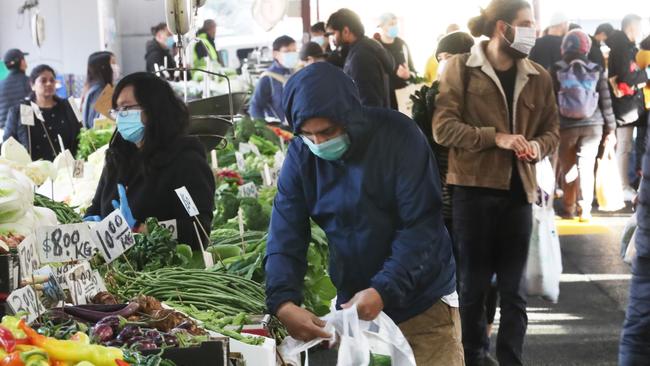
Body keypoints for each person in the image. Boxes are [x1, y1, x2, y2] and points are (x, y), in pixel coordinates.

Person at [266, 62, 462, 365]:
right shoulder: (302, 155)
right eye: (308, 134)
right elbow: (285, 231)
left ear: (350, 117)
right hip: (355, 306)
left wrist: (384, 288)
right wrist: (282, 301)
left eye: (328, 131)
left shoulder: (399, 136)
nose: (319, 143)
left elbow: (421, 226)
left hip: (422, 304)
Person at [433, 0, 560, 364]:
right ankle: (473, 356)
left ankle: (510, 359)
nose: (531, 31)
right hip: (471, 192)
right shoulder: (460, 68)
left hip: (520, 192)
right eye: (526, 23)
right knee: (471, 287)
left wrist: (537, 145)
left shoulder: (538, 76)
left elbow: (553, 131)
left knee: (514, 290)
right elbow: (443, 129)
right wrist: (496, 137)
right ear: (502, 28)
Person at [84, 72, 215, 250]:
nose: (121, 116)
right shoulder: (118, 156)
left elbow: (198, 229)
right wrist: (92, 223)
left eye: (127, 108)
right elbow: (96, 208)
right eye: (117, 110)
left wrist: (140, 228)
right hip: (116, 270)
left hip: (162, 271)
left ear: (154, 109)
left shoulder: (186, 161)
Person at [550, 29, 617, 221]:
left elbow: (550, 102)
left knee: (568, 167)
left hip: (565, 126)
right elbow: (606, 100)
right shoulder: (596, 68)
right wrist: (610, 129)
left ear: (565, 47)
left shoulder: (556, 68)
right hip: (593, 125)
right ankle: (585, 208)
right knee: (586, 168)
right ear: (586, 47)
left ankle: (568, 208)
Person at [607, 14, 648, 200]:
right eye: (639, 28)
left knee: (625, 146)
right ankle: (622, 186)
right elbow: (626, 77)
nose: (640, 32)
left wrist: (638, 78)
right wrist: (644, 77)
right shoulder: (622, 48)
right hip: (624, 106)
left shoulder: (624, 46)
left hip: (627, 106)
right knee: (624, 146)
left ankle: (622, 185)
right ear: (631, 27)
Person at [3, 65, 81, 161]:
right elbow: (8, 144)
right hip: (34, 173)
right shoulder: (21, 111)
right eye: (43, 80)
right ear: (32, 85)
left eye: (52, 80)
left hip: (68, 170)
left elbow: (81, 139)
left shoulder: (68, 107)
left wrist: (78, 172)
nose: (49, 83)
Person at [327, 8, 394, 108]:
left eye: (333, 34)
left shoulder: (360, 58)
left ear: (346, 31)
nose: (332, 39)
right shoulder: (367, 48)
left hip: (370, 122)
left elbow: (368, 104)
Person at [249, 36, 297, 123]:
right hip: (280, 129)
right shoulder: (268, 78)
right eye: (287, 51)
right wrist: (263, 127)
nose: (292, 55)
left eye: (294, 51)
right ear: (275, 54)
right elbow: (255, 106)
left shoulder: (296, 72)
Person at [377, 13, 416, 110]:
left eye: (396, 24)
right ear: (382, 26)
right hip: (383, 100)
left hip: (402, 98)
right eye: (391, 24)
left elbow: (414, 72)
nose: (394, 27)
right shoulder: (376, 47)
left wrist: (408, 75)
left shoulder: (402, 45)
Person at [81, 51, 118, 128]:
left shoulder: (93, 89)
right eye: (113, 63)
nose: (116, 67)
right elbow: (96, 123)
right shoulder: (102, 91)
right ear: (104, 67)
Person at [0, 49, 30, 128]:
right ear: (22, 62)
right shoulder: (30, 82)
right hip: (23, 132)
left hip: (4, 131)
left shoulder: (1, 84)